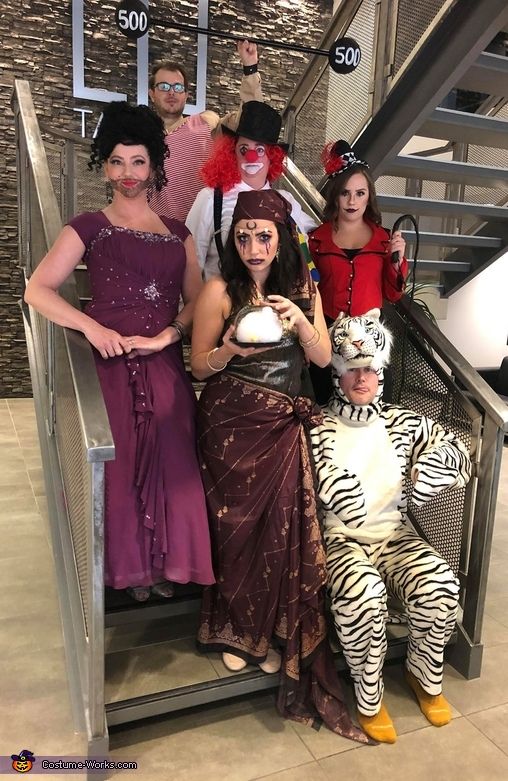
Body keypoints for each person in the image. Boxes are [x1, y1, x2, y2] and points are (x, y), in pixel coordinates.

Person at [190, 189, 367, 744]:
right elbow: (198, 367)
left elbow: (320, 359)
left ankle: (268, 634)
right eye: (242, 236)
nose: (252, 246)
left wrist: (302, 321)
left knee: (278, 539)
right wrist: (229, 352)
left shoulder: (300, 289)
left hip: (285, 429)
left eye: (262, 235)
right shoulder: (220, 289)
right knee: (235, 536)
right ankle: (236, 634)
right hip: (230, 429)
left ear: (282, 238)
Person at [24, 101, 214, 601]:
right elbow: (37, 290)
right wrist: (91, 328)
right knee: (122, 466)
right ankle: (130, 572)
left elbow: (197, 301)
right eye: (117, 161)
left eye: (137, 162)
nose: (127, 174)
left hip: (165, 364)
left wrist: (169, 334)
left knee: (174, 465)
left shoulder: (180, 234)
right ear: (103, 165)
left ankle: (169, 565)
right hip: (110, 367)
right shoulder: (88, 226)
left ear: (154, 166)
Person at [310, 311, 472, 743]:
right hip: (343, 540)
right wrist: (326, 484)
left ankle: (424, 673)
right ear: (338, 375)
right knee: (363, 595)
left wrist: (441, 465)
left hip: (395, 536)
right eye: (353, 370)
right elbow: (299, 477)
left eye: (371, 370)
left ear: (381, 372)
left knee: (439, 583)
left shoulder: (403, 420)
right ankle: (368, 697)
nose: (362, 379)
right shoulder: (317, 425)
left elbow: (459, 451)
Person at [186, 100, 317, 280]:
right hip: (222, 303)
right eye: (244, 149)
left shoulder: (286, 200)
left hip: (275, 304)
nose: (251, 156)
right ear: (232, 153)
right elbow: (191, 263)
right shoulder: (211, 198)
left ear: (273, 157)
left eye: (260, 149)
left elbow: (318, 237)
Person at [148, 40, 263, 223]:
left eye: (178, 87)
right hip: (152, 234)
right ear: (151, 93)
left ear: (186, 94)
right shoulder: (139, 136)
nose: (172, 93)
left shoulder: (205, 123)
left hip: (199, 232)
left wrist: (250, 68)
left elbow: (249, 118)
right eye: (163, 86)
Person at [309, 140, 408, 321]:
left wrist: (397, 262)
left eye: (360, 193)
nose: (352, 201)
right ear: (335, 196)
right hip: (325, 332)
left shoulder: (385, 241)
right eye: (345, 193)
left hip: (368, 337)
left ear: (369, 196)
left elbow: (393, 295)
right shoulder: (315, 240)